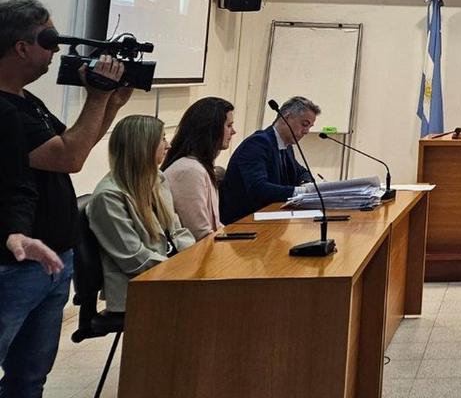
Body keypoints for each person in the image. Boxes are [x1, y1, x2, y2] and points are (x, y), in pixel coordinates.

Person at [0, 0, 132, 398]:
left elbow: (77, 142)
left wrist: (110, 105)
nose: (55, 52)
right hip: (14, 265)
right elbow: (71, 158)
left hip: (52, 260)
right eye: (48, 41)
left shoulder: (28, 102)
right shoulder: (4, 111)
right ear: (20, 48)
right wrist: (95, 96)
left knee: (30, 378)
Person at [86, 115, 195, 313]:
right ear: (143, 147)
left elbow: (177, 232)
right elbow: (135, 258)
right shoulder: (109, 197)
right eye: (162, 139)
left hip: (169, 274)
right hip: (142, 287)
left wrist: (196, 258)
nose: (168, 145)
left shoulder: (157, 180)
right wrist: (181, 269)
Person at [220, 96, 319, 224]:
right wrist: (302, 191)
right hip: (245, 223)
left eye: (309, 127)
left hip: (270, 219)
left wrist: (306, 183)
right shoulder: (258, 144)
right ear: (287, 117)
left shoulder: (285, 146)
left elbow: (301, 172)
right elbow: (258, 188)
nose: (306, 132)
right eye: (304, 124)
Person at [162, 97, 236, 240]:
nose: (233, 132)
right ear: (211, 129)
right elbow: (199, 234)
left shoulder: (198, 166)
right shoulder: (189, 170)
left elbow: (214, 226)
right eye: (229, 126)